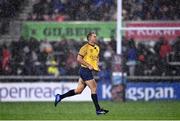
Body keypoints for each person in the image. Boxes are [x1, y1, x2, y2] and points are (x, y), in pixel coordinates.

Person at [54, 32, 109, 115]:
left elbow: (96, 58)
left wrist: (96, 67)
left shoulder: (97, 48)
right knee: (94, 88)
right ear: (89, 38)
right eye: (94, 36)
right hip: (84, 70)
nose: (95, 38)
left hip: (87, 70)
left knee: (78, 90)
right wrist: (88, 65)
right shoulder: (85, 47)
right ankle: (98, 110)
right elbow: (78, 59)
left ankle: (60, 97)